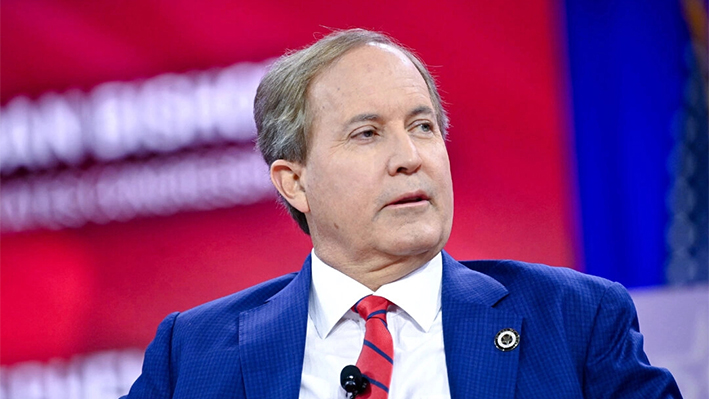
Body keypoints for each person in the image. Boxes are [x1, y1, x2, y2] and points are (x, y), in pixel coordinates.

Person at [123, 29, 682, 399]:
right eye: (367, 134)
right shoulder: (192, 353)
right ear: (295, 183)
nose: (410, 159)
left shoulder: (573, 319)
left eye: (423, 127)